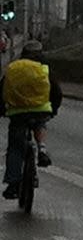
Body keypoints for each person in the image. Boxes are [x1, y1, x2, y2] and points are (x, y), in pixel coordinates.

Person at [1, 40, 62, 199]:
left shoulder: (14, 68)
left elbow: (2, 89)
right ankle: (42, 148)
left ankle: (13, 184)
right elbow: (56, 91)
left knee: (15, 147)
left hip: (17, 113)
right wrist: (53, 109)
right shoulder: (44, 68)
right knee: (40, 123)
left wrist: (2, 110)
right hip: (40, 110)